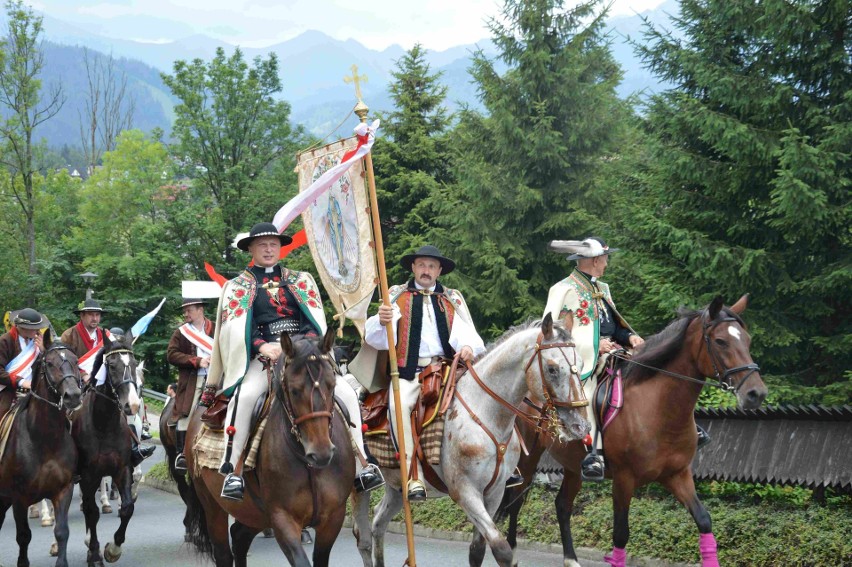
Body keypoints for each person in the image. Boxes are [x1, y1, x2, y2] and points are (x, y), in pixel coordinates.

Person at [202, 222, 383, 501]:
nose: (268, 249)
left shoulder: (301, 280)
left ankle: (363, 464)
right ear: (250, 249)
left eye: (273, 244)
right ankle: (233, 470)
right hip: (262, 357)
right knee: (246, 396)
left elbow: (313, 321)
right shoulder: (237, 287)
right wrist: (263, 346)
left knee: (345, 392)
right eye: (262, 244)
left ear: (280, 248)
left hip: (302, 353)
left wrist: (303, 344)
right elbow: (234, 330)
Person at [544, 237, 709, 480]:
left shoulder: (603, 288)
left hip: (615, 351)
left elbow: (613, 324)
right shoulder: (563, 289)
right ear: (596, 259)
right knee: (589, 394)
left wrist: (630, 337)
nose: (607, 264)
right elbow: (552, 332)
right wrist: (594, 344)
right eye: (606, 259)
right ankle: (594, 453)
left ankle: (685, 429)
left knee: (655, 375)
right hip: (582, 358)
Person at [361, 245, 486, 501]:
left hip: (449, 371)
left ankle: (504, 464)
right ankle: (413, 476)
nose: (426, 270)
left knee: (487, 396)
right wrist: (382, 320)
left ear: (439, 270)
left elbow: (470, 335)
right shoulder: (396, 295)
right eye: (422, 265)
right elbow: (377, 339)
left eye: (431, 266)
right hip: (410, 372)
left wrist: (467, 347)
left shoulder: (452, 298)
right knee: (399, 407)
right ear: (413, 268)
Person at [60, 302, 154, 466]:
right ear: (82, 315)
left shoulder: (106, 336)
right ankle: (65, 454)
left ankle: (133, 448)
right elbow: (66, 361)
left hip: (102, 383)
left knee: (123, 408)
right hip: (77, 384)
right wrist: (83, 375)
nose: (95, 318)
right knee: (64, 415)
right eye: (90, 314)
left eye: (97, 315)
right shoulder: (69, 335)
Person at [167, 297, 214, 471]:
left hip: (217, 378)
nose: (186, 314)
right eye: (184, 311)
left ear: (200, 309)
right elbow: (171, 355)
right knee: (186, 412)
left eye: (189, 310)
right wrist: (196, 360)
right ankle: (182, 454)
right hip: (193, 381)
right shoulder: (181, 332)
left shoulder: (216, 328)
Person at [0, 308, 48, 421]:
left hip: (37, 392)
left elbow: (50, 366)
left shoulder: (39, 340)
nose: (38, 330)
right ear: (22, 327)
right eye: (34, 328)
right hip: (10, 392)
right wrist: (21, 382)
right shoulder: (5, 341)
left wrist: (43, 351)